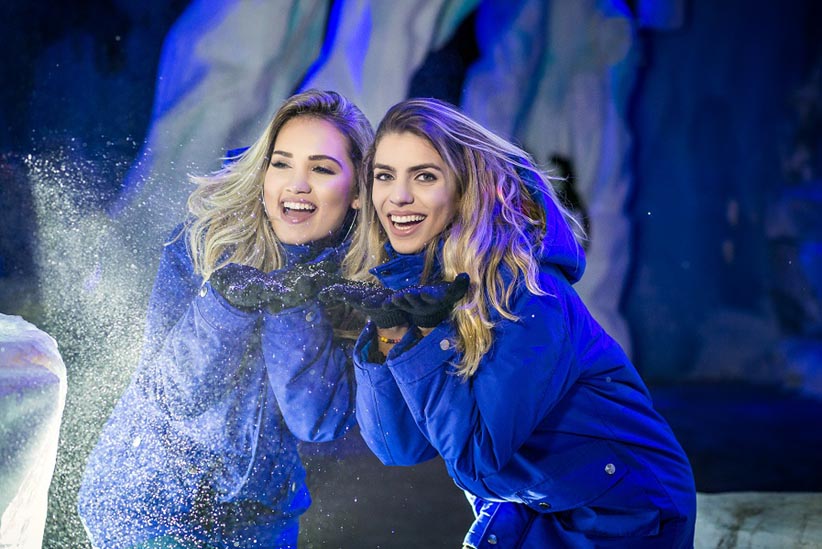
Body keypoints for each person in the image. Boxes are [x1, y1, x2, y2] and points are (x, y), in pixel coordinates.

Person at [322, 98, 696, 548]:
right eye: (385, 176)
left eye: (424, 176)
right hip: (536, 501)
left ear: (463, 187)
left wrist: (428, 334)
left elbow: (478, 460)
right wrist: (392, 333)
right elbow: (396, 445)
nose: (398, 196)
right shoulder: (426, 285)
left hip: (624, 509)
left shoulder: (531, 292)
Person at [78, 90, 373, 549]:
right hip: (148, 505)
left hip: (260, 520)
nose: (297, 184)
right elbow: (173, 394)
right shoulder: (204, 242)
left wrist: (293, 306)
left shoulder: (359, 280)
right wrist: (225, 307)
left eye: (321, 169)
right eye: (281, 164)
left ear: (357, 191)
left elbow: (316, 421)